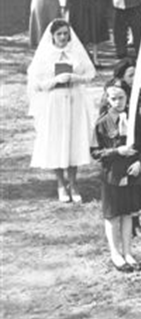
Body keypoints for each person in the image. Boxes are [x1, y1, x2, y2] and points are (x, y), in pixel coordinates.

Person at [27, 19, 95, 202]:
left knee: (72, 140)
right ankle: (60, 183)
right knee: (57, 140)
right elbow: (36, 84)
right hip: (54, 102)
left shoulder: (76, 52)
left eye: (66, 33)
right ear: (53, 36)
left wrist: (74, 77)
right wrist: (55, 81)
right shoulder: (44, 56)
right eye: (59, 34)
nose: (63, 37)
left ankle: (73, 183)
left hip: (74, 99)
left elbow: (90, 74)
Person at [91, 79, 141, 272]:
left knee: (128, 214)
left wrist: (139, 162)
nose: (118, 102)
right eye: (113, 98)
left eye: (121, 97)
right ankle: (115, 253)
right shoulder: (102, 123)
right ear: (107, 99)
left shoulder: (136, 121)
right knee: (113, 215)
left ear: (128, 97)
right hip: (112, 176)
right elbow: (95, 152)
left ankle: (128, 252)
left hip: (131, 174)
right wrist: (117, 151)